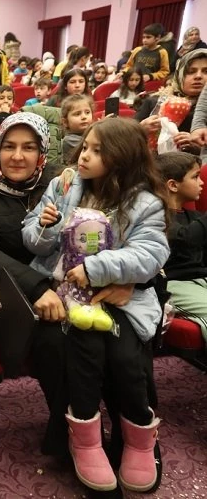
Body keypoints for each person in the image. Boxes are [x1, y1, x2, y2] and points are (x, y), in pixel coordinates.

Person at [22, 118, 168, 493]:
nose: (84, 155)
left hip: (119, 297)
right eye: (85, 147)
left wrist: (96, 269)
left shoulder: (144, 203)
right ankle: (85, 439)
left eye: (97, 150)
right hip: (66, 294)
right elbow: (32, 241)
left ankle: (138, 438)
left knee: (125, 356)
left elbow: (151, 254)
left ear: (122, 157)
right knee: (84, 352)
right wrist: (46, 226)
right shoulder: (64, 185)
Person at [156, 151, 207, 346]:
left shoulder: (194, 217)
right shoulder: (157, 217)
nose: (201, 182)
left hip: (201, 280)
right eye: (195, 177)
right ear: (173, 185)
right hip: (175, 283)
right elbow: (185, 238)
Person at [138, 48, 207, 154]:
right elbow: (124, 140)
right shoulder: (155, 101)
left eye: (206, 72)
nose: (198, 76)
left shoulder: (203, 112)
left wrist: (199, 147)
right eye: (190, 72)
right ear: (180, 74)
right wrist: (141, 129)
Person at [60, 94, 94, 165]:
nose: (84, 117)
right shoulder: (69, 140)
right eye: (77, 114)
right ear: (65, 122)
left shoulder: (92, 134)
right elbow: (92, 149)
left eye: (87, 112)